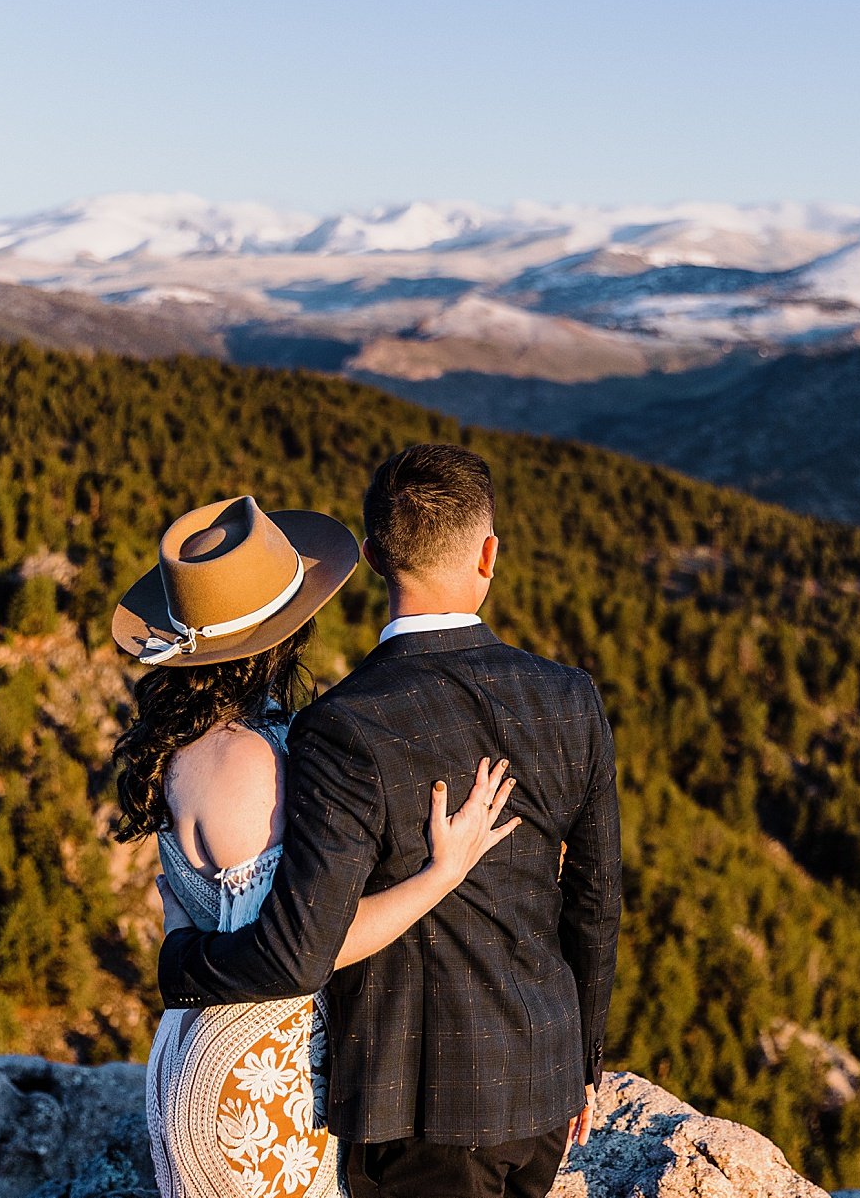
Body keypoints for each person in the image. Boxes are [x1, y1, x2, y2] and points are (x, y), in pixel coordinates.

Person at [157, 445, 623, 1198]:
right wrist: (582, 1064)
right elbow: (597, 903)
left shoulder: (341, 726)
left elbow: (301, 949)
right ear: (489, 553)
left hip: (417, 1109)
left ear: (373, 556)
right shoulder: (570, 696)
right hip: (542, 1089)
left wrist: (178, 961)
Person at [110, 494, 523, 1198]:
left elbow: (196, 918)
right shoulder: (247, 762)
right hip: (257, 1077)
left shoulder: (187, 746)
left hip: (200, 1055)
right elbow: (302, 950)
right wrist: (442, 872)